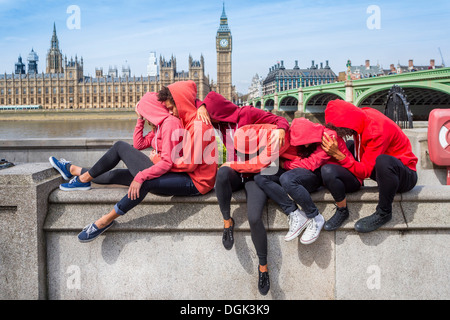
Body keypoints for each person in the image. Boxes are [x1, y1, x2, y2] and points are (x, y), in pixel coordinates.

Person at [49, 91, 208, 242]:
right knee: (117, 174)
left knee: (120, 148)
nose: (144, 117)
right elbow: (139, 144)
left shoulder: (170, 123)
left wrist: (141, 176)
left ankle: (103, 218)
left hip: (173, 176)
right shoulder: (158, 127)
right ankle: (73, 170)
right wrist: (139, 120)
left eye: (144, 113)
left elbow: (168, 162)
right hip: (164, 171)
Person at [254, 117, 357, 244]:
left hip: (321, 175)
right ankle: (294, 213)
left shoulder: (328, 137)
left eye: (305, 142)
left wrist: (284, 164)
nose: (305, 145)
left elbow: (311, 164)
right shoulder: (294, 136)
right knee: (261, 176)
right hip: (302, 169)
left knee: (287, 178)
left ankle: (314, 217)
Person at [322, 99, 418, 233]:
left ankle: (384, 212)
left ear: (347, 124)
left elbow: (366, 171)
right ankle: (346, 200)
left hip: (404, 175)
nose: (341, 135)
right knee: (349, 145)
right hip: (381, 172)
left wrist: (340, 155)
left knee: (383, 161)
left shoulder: (376, 130)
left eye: (341, 131)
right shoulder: (360, 116)